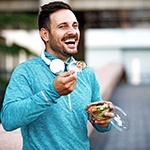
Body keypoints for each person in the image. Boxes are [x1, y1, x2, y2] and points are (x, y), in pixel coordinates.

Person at [1, 1, 114, 150]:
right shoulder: (26, 71)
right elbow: (8, 120)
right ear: (45, 34)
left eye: (75, 25)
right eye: (63, 26)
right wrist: (52, 92)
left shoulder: (87, 74)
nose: (72, 31)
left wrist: (104, 122)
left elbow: (100, 123)